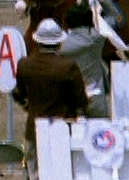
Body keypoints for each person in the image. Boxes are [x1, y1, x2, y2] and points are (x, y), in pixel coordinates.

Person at [11, 18, 89, 150]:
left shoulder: (24, 64)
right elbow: (81, 102)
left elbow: (19, 95)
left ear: (37, 42)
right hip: (63, 129)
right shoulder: (68, 66)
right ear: (59, 43)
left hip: (34, 130)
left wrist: (29, 106)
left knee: (34, 168)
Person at [59, 0, 119, 118]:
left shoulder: (60, 45)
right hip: (95, 97)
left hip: (71, 100)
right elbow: (114, 16)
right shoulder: (96, 38)